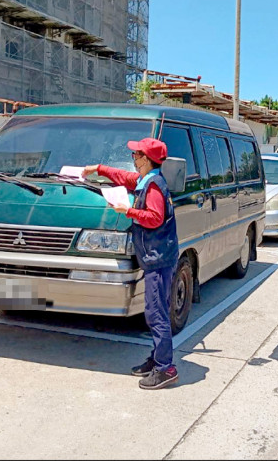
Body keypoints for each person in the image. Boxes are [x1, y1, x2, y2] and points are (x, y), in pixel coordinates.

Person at [81, 138, 180, 390]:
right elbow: (124, 177)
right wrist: (99, 169)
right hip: (156, 257)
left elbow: (155, 218)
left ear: (146, 159)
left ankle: (166, 368)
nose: (133, 158)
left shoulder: (154, 186)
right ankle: (156, 359)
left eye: (136, 155)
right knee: (155, 310)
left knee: (156, 313)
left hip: (158, 259)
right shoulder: (146, 180)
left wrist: (128, 211)